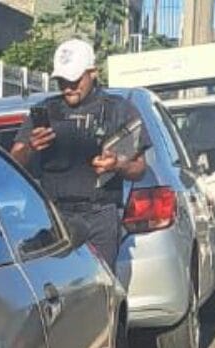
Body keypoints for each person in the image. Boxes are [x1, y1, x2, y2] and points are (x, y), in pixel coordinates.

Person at [10, 39, 150, 270]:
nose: (68, 87)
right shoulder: (45, 111)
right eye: (62, 81)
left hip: (99, 218)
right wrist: (30, 148)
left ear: (92, 73)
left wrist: (118, 165)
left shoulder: (118, 110)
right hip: (54, 219)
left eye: (74, 80)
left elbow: (139, 169)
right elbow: (13, 162)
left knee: (100, 284)